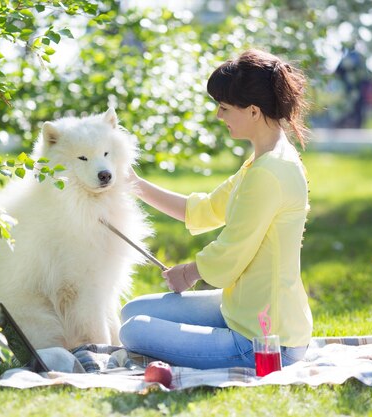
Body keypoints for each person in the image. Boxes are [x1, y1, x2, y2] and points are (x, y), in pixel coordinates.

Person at [119, 49, 313, 370]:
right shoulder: (261, 162)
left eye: (224, 108)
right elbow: (205, 209)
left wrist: (188, 272)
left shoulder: (270, 172)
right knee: (132, 310)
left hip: (264, 340)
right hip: (240, 308)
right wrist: (134, 183)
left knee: (133, 329)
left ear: (253, 111)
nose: (218, 116)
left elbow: (231, 253)